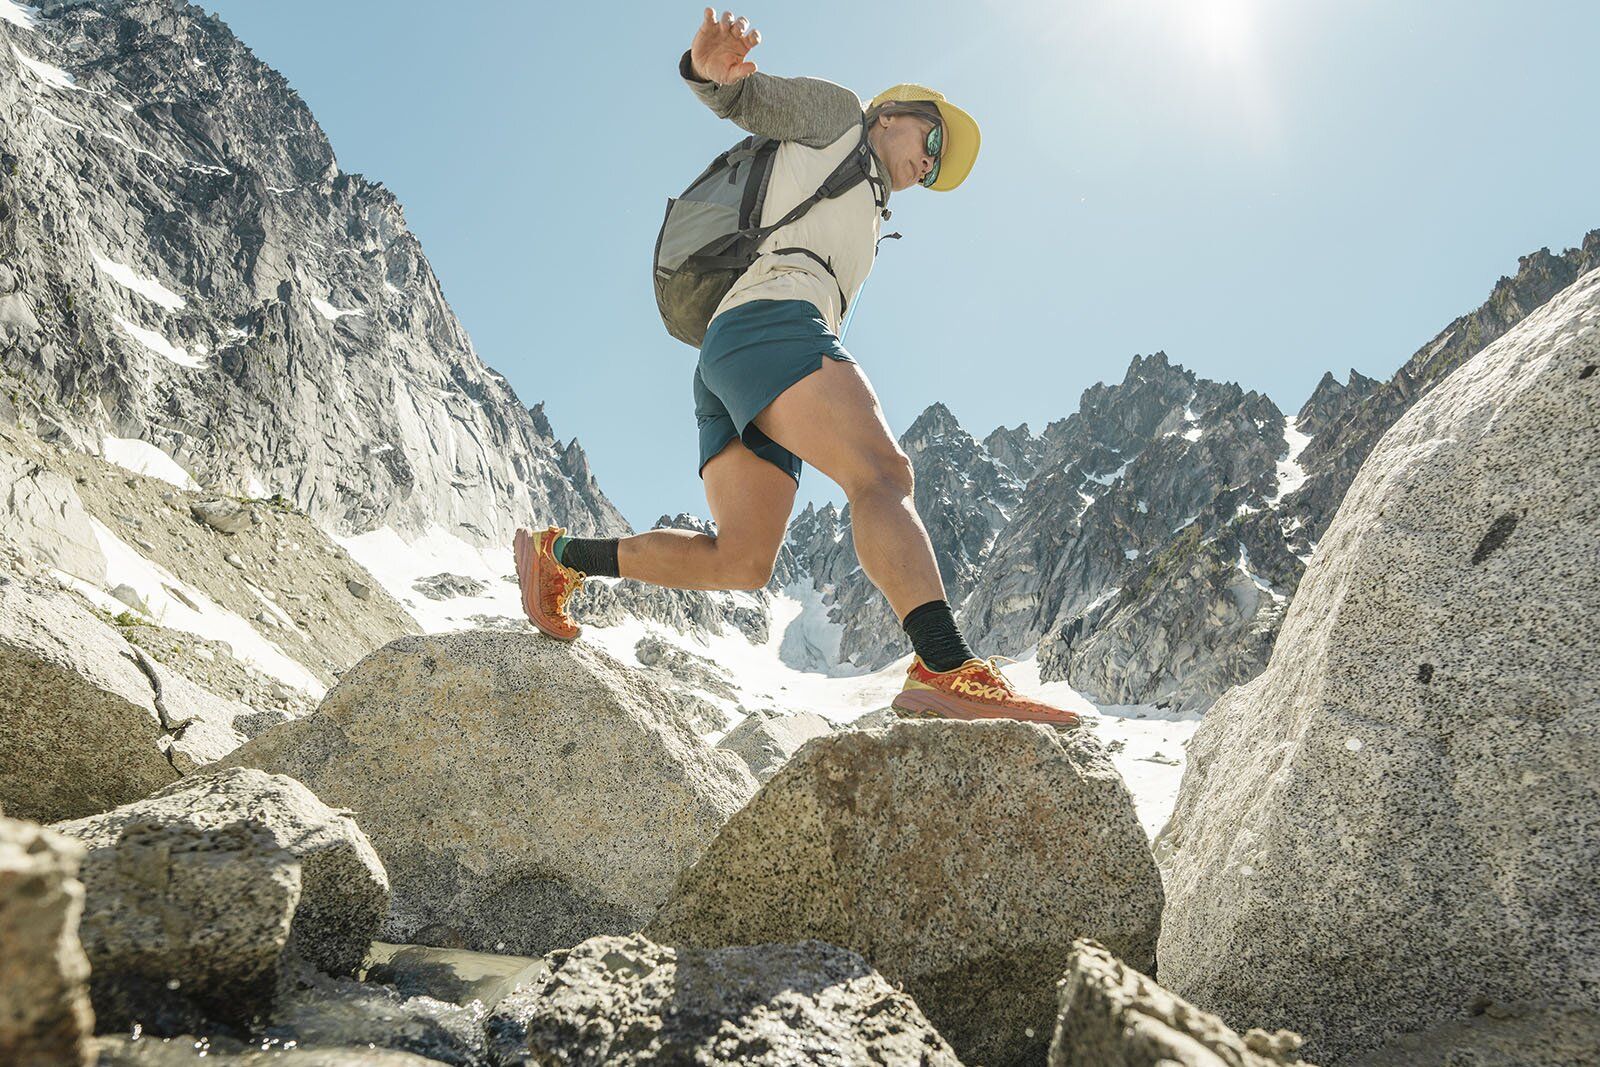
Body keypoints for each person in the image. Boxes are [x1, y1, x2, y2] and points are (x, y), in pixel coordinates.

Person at [514, 8, 1079, 728]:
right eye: (932, 139)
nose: (929, 165)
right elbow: (744, 98)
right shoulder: (840, 117)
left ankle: (559, 555)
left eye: (937, 170)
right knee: (882, 475)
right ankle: (945, 664)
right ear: (891, 114)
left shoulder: (871, 215)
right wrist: (709, 71)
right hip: (769, 326)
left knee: (741, 560)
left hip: (735, 350)